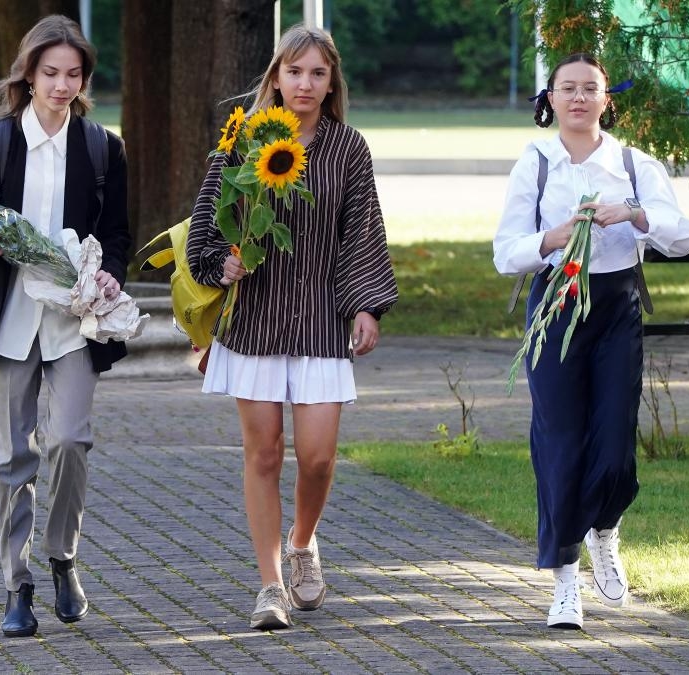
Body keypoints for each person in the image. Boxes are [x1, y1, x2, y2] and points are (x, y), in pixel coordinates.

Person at [187, 24, 398, 630]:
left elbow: (362, 231)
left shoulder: (348, 148)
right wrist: (217, 260)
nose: (304, 84)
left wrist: (365, 304)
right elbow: (209, 214)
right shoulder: (244, 140)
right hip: (255, 317)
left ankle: (304, 542)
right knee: (263, 453)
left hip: (321, 320)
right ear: (276, 76)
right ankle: (271, 585)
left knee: (317, 456)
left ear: (332, 84)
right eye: (295, 71)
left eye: (318, 74)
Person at [493, 53, 689, 630]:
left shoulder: (632, 163)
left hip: (615, 308)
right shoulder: (534, 164)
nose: (579, 98)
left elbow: (683, 236)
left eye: (591, 89)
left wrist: (632, 214)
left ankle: (605, 527)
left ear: (607, 100)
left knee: (612, 437)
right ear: (550, 99)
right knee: (559, 439)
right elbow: (505, 252)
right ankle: (564, 580)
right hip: (555, 306)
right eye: (567, 89)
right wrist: (551, 238)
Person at [0, 14, 131, 638]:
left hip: (76, 321)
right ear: (28, 75)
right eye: (50, 73)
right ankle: (17, 585)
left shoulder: (101, 147)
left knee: (69, 441)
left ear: (84, 79)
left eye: (74, 74)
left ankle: (63, 559)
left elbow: (117, 235)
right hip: (12, 321)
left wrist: (110, 273)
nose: (62, 85)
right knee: (14, 455)